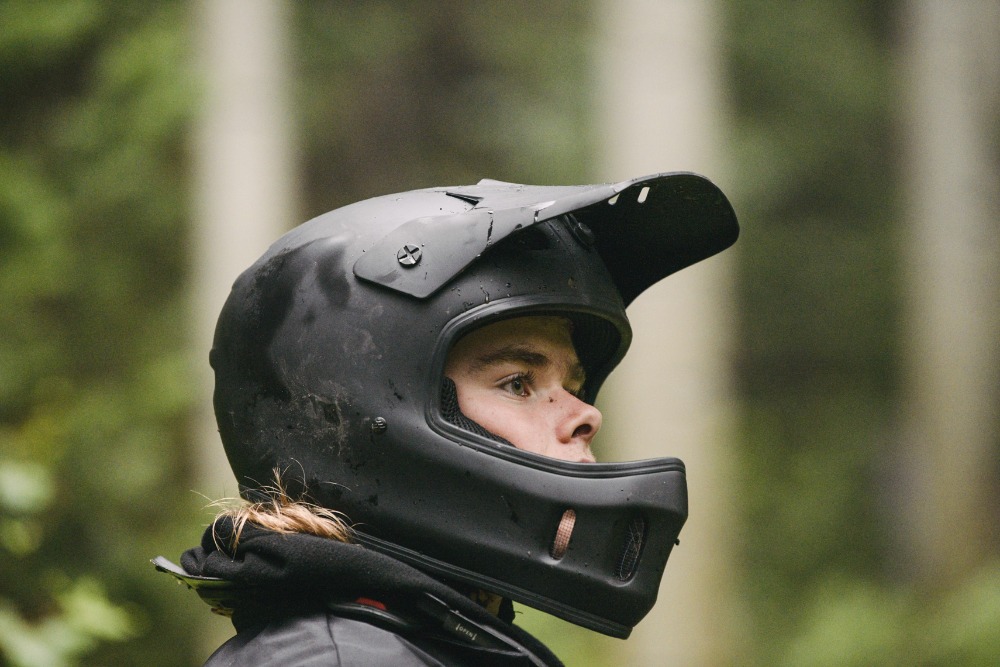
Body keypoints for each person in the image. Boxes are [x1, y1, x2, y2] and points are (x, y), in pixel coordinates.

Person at [155, 172, 738, 665]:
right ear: (366, 413)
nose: (587, 415)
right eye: (518, 382)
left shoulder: (420, 640)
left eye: (574, 385)